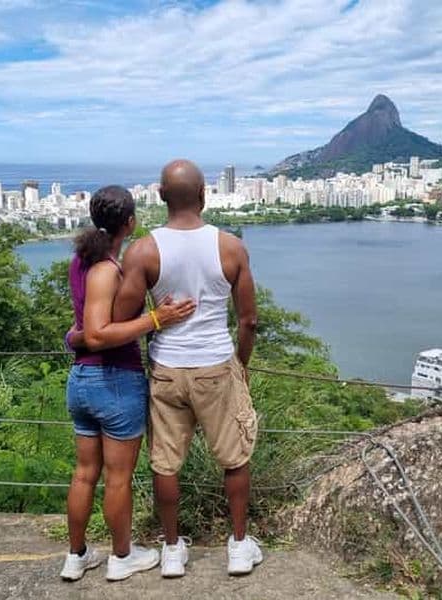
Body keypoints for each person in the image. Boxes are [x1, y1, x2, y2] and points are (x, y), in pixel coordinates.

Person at [115, 159, 261, 578]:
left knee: (165, 463)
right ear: (204, 195)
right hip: (216, 364)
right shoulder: (230, 246)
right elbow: (249, 320)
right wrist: (242, 365)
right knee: (234, 458)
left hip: (166, 369)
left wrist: (157, 318)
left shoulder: (143, 250)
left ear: (160, 196)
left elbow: (123, 321)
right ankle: (237, 545)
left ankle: (173, 550)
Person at [59, 185, 196, 583]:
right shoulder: (105, 269)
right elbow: (99, 334)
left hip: (82, 380)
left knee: (85, 473)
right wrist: (157, 320)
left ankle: (77, 556)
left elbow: (83, 330)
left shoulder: (79, 262)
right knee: (117, 477)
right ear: (131, 222)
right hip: (114, 380)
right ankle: (121, 556)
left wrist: (74, 337)